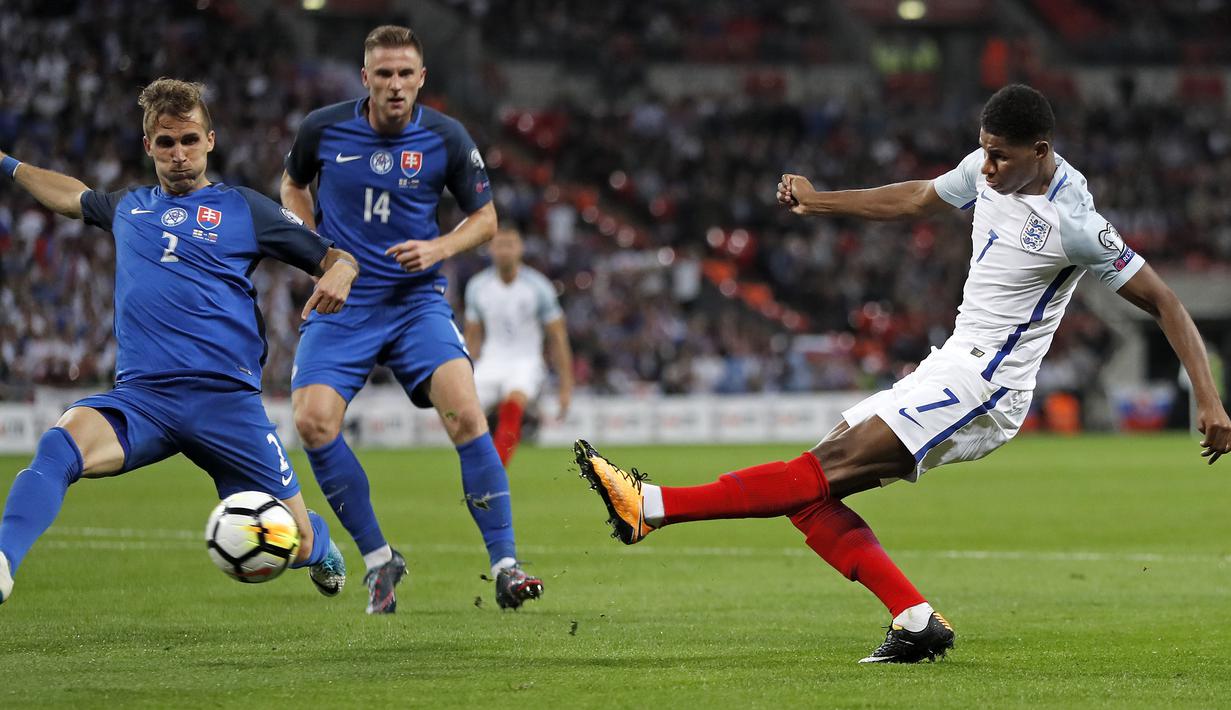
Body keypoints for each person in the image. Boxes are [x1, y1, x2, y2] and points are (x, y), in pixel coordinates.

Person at [574, 84, 1231, 663]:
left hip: (986, 388)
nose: (987, 166)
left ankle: (650, 506)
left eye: (1001, 154)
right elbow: (920, 196)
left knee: (816, 474)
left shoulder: (1075, 223)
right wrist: (819, 201)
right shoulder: (985, 168)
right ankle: (914, 619)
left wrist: (1208, 399)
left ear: (1040, 149)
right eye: (983, 149)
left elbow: (1166, 301)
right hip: (949, 363)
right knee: (810, 491)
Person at [0, 78, 361, 605]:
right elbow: (69, 195)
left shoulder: (245, 209)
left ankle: (319, 539)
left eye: (189, 140)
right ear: (148, 147)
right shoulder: (128, 207)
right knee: (61, 444)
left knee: (297, 543)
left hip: (226, 404)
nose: (179, 154)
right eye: (166, 143)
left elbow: (333, 255)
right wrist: (7, 163)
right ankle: (4, 559)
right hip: (143, 397)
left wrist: (341, 273)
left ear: (210, 140)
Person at [282, 25, 543, 614]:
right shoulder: (322, 129)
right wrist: (315, 249)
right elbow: (292, 184)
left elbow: (486, 218)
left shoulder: (447, 137)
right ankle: (379, 560)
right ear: (365, 78)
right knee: (313, 422)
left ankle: (505, 565)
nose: (395, 85)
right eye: (384, 74)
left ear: (422, 78)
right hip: (345, 304)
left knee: (468, 413)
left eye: (405, 74)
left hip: (415, 303)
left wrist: (440, 249)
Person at [463, 226, 574, 466]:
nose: (504, 251)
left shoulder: (539, 287)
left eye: (510, 244)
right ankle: (481, 463)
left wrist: (566, 387)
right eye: (499, 245)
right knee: (465, 414)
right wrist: (465, 373)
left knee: (513, 401)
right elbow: (471, 337)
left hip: (526, 362)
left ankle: (495, 470)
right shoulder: (477, 287)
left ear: (520, 249)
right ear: (490, 249)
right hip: (490, 362)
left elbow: (558, 337)